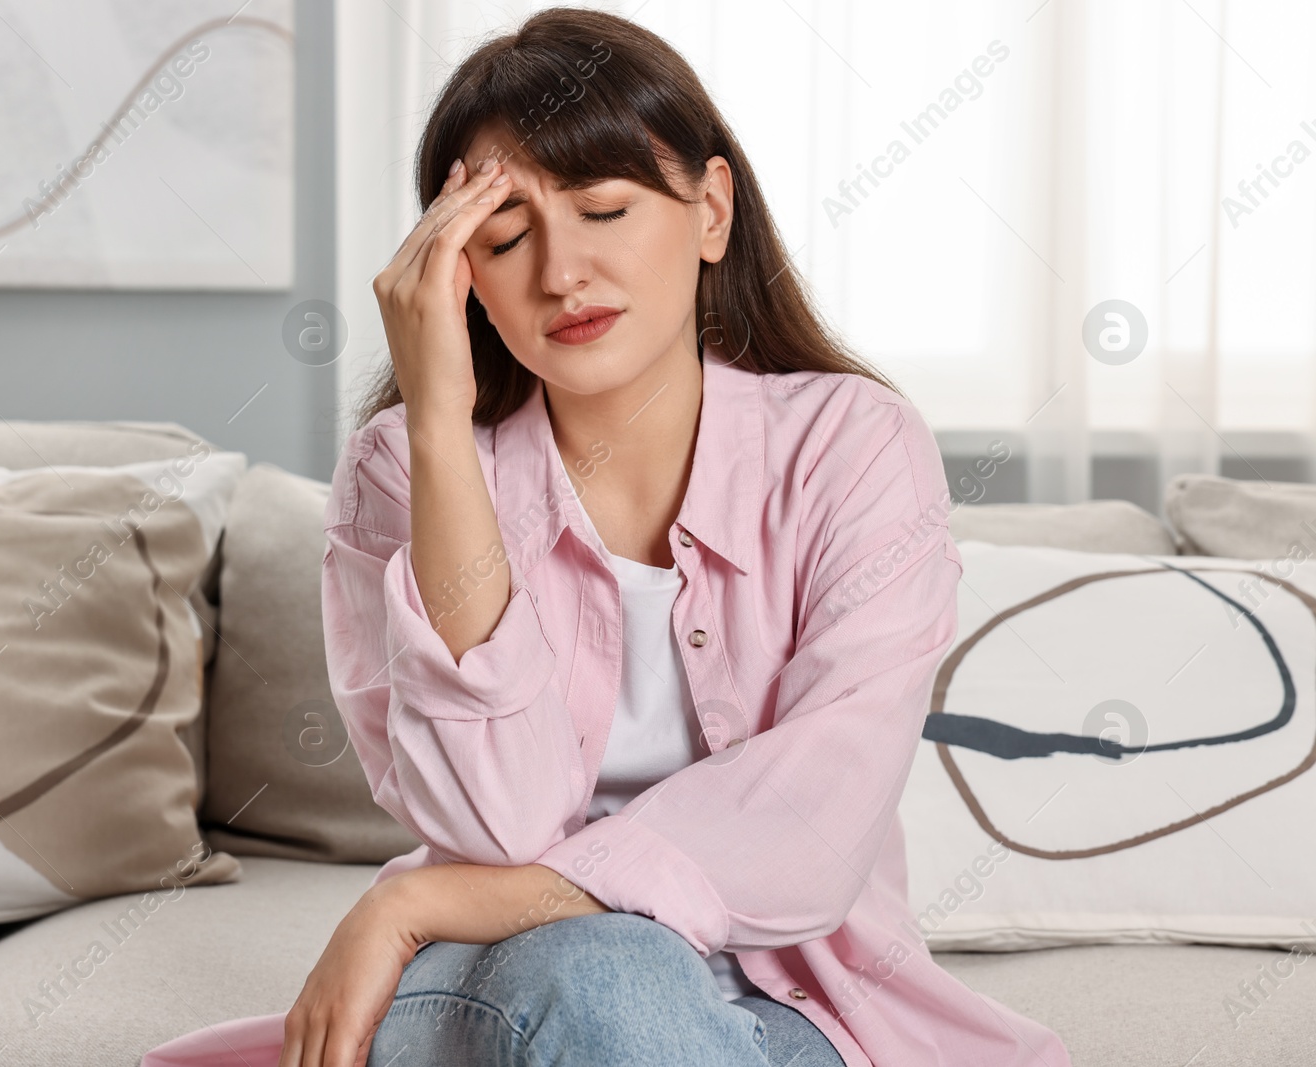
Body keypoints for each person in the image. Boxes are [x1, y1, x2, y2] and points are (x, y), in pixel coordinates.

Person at [143, 7, 1072, 1067]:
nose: (559, 273)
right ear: (458, 278)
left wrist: (420, 903)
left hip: (794, 1006)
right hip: (494, 976)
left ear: (709, 209)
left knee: (606, 975)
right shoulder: (403, 469)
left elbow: (813, 822)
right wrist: (443, 429)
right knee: (588, 969)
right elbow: (495, 816)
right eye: (502, 236)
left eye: (602, 208)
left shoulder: (850, 445)